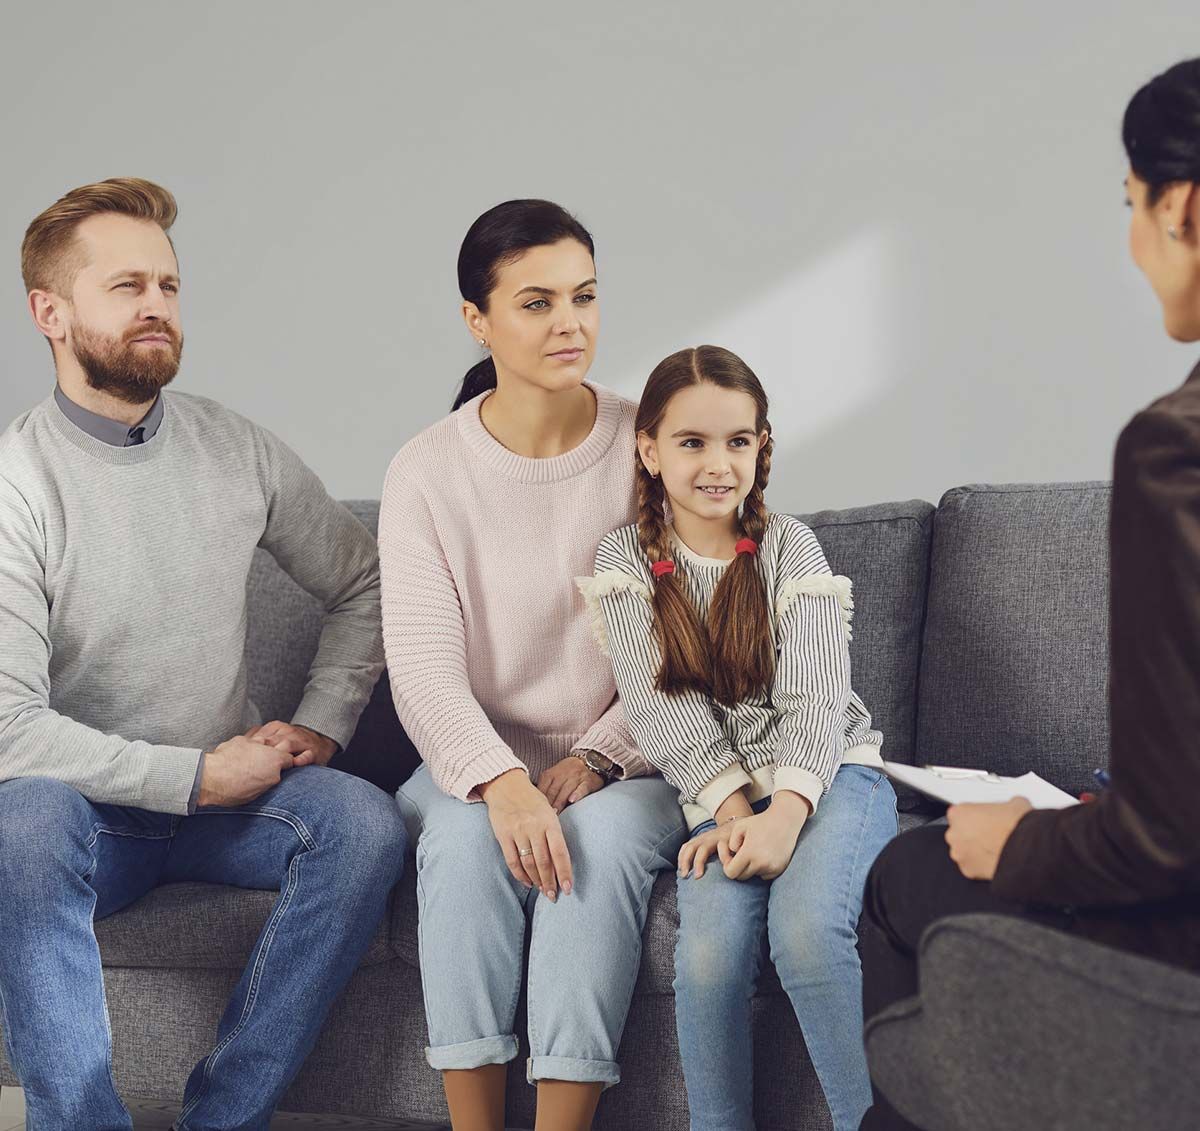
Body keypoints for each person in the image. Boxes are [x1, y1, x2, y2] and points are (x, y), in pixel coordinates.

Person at [0, 178, 407, 1130]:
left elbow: (368, 579)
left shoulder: (237, 449)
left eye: (170, 287)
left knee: (364, 826)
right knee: (17, 824)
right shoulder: (15, 487)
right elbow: (10, 733)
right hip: (88, 816)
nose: (157, 307)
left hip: (228, 808)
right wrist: (194, 775)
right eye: (126, 285)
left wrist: (321, 721)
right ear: (48, 312)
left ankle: (225, 1117)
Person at [859, 56, 1200, 1130]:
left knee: (911, 878)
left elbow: (1168, 839)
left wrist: (1023, 840)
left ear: (1181, 208)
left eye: (1130, 206)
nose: (1134, 241)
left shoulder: (1174, 453)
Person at [381, 199, 685, 1131]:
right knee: (469, 842)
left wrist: (598, 757)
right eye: (537, 302)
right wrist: (500, 780)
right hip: (469, 760)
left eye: (585, 297)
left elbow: (689, 651)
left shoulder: (654, 447)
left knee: (588, 848)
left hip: (630, 757)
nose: (570, 324)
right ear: (478, 320)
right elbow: (424, 669)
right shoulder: (426, 471)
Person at [578, 345, 897, 1131]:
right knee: (711, 956)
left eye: (737, 442)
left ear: (762, 448)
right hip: (719, 797)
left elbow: (817, 699)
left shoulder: (791, 547)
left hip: (825, 778)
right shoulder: (625, 562)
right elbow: (658, 710)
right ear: (649, 451)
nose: (717, 464)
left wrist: (784, 814)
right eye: (692, 442)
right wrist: (729, 812)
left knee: (807, 934)